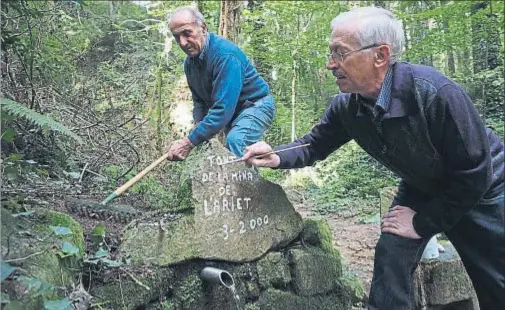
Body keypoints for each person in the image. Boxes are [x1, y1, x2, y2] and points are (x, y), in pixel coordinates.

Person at [242, 6, 504, 310]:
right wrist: (276, 156)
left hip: (485, 190)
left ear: (380, 55)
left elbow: (474, 175)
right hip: (422, 185)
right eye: (331, 53)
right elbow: (314, 144)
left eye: (340, 53)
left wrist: (421, 222)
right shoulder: (348, 107)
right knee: (392, 253)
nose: (330, 64)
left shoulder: (434, 94)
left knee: (496, 280)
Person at [167, 6, 275, 159]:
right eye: (177, 36)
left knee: (237, 141)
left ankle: (246, 183)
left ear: (202, 28)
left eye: (187, 33)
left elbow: (222, 109)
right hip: (233, 112)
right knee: (220, 149)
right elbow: (199, 101)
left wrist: (189, 142)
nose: (183, 42)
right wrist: (198, 124)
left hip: (256, 105)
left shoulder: (225, 56)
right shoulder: (189, 64)